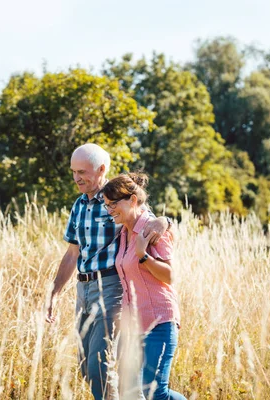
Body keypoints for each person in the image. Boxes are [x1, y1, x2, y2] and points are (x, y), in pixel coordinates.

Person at [45, 143, 170, 400]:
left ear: (101, 169)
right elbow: (72, 255)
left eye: (82, 171)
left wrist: (166, 221)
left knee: (99, 363)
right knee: (85, 366)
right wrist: (54, 294)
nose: (76, 177)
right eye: (73, 171)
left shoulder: (116, 199)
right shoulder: (78, 205)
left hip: (111, 287)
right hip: (83, 289)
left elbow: (149, 219)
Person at [102, 172, 185, 400]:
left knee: (156, 393)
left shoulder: (151, 229)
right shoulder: (122, 233)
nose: (110, 211)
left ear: (133, 200)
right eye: (107, 206)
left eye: (114, 205)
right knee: (134, 391)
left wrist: (143, 256)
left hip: (159, 320)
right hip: (134, 327)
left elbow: (170, 275)